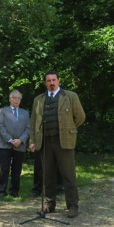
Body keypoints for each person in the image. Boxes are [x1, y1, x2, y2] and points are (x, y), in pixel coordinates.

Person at [29, 72, 85, 218]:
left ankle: (73, 206)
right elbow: (33, 122)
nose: (51, 83)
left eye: (54, 80)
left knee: (68, 175)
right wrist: (32, 141)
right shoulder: (38, 100)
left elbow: (80, 117)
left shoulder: (70, 96)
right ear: (45, 83)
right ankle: (49, 205)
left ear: (59, 81)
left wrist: (69, 129)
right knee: (47, 175)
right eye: (48, 81)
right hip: (45, 142)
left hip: (64, 141)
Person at [0, 90, 30, 198]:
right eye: (14, 98)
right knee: (4, 169)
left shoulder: (25, 113)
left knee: (17, 170)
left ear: (20, 100)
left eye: (18, 98)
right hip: (5, 144)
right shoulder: (3, 111)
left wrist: (20, 140)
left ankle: (14, 191)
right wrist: (10, 140)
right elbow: (0, 127)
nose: (16, 100)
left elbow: (28, 129)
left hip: (20, 145)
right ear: (10, 99)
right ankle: (2, 191)